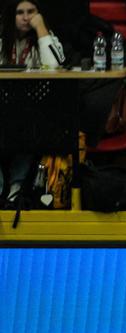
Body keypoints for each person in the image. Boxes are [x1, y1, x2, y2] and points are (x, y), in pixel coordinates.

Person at [0, 0, 64, 204]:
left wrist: (41, 29)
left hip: (33, 111)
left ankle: (16, 187)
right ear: (12, 15)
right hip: (3, 107)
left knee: (29, 126)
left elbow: (53, 67)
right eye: (20, 12)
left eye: (31, 12)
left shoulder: (46, 37)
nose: (26, 17)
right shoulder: (2, 40)